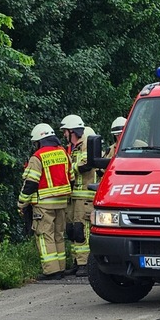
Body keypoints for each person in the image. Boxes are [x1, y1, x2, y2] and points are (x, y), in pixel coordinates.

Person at [19, 123, 72, 280]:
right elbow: (72, 177)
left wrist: (21, 204)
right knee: (58, 235)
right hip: (62, 202)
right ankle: (61, 268)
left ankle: (51, 271)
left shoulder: (38, 157)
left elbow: (30, 184)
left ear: (39, 141)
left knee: (44, 236)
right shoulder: (63, 153)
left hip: (44, 204)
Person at [60, 116, 99, 276]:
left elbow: (85, 166)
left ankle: (85, 264)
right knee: (72, 230)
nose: (64, 135)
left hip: (84, 196)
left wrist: (69, 168)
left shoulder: (85, 146)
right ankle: (77, 261)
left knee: (81, 229)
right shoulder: (72, 147)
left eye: (65, 132)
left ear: (72, 131)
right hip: (74, 196)